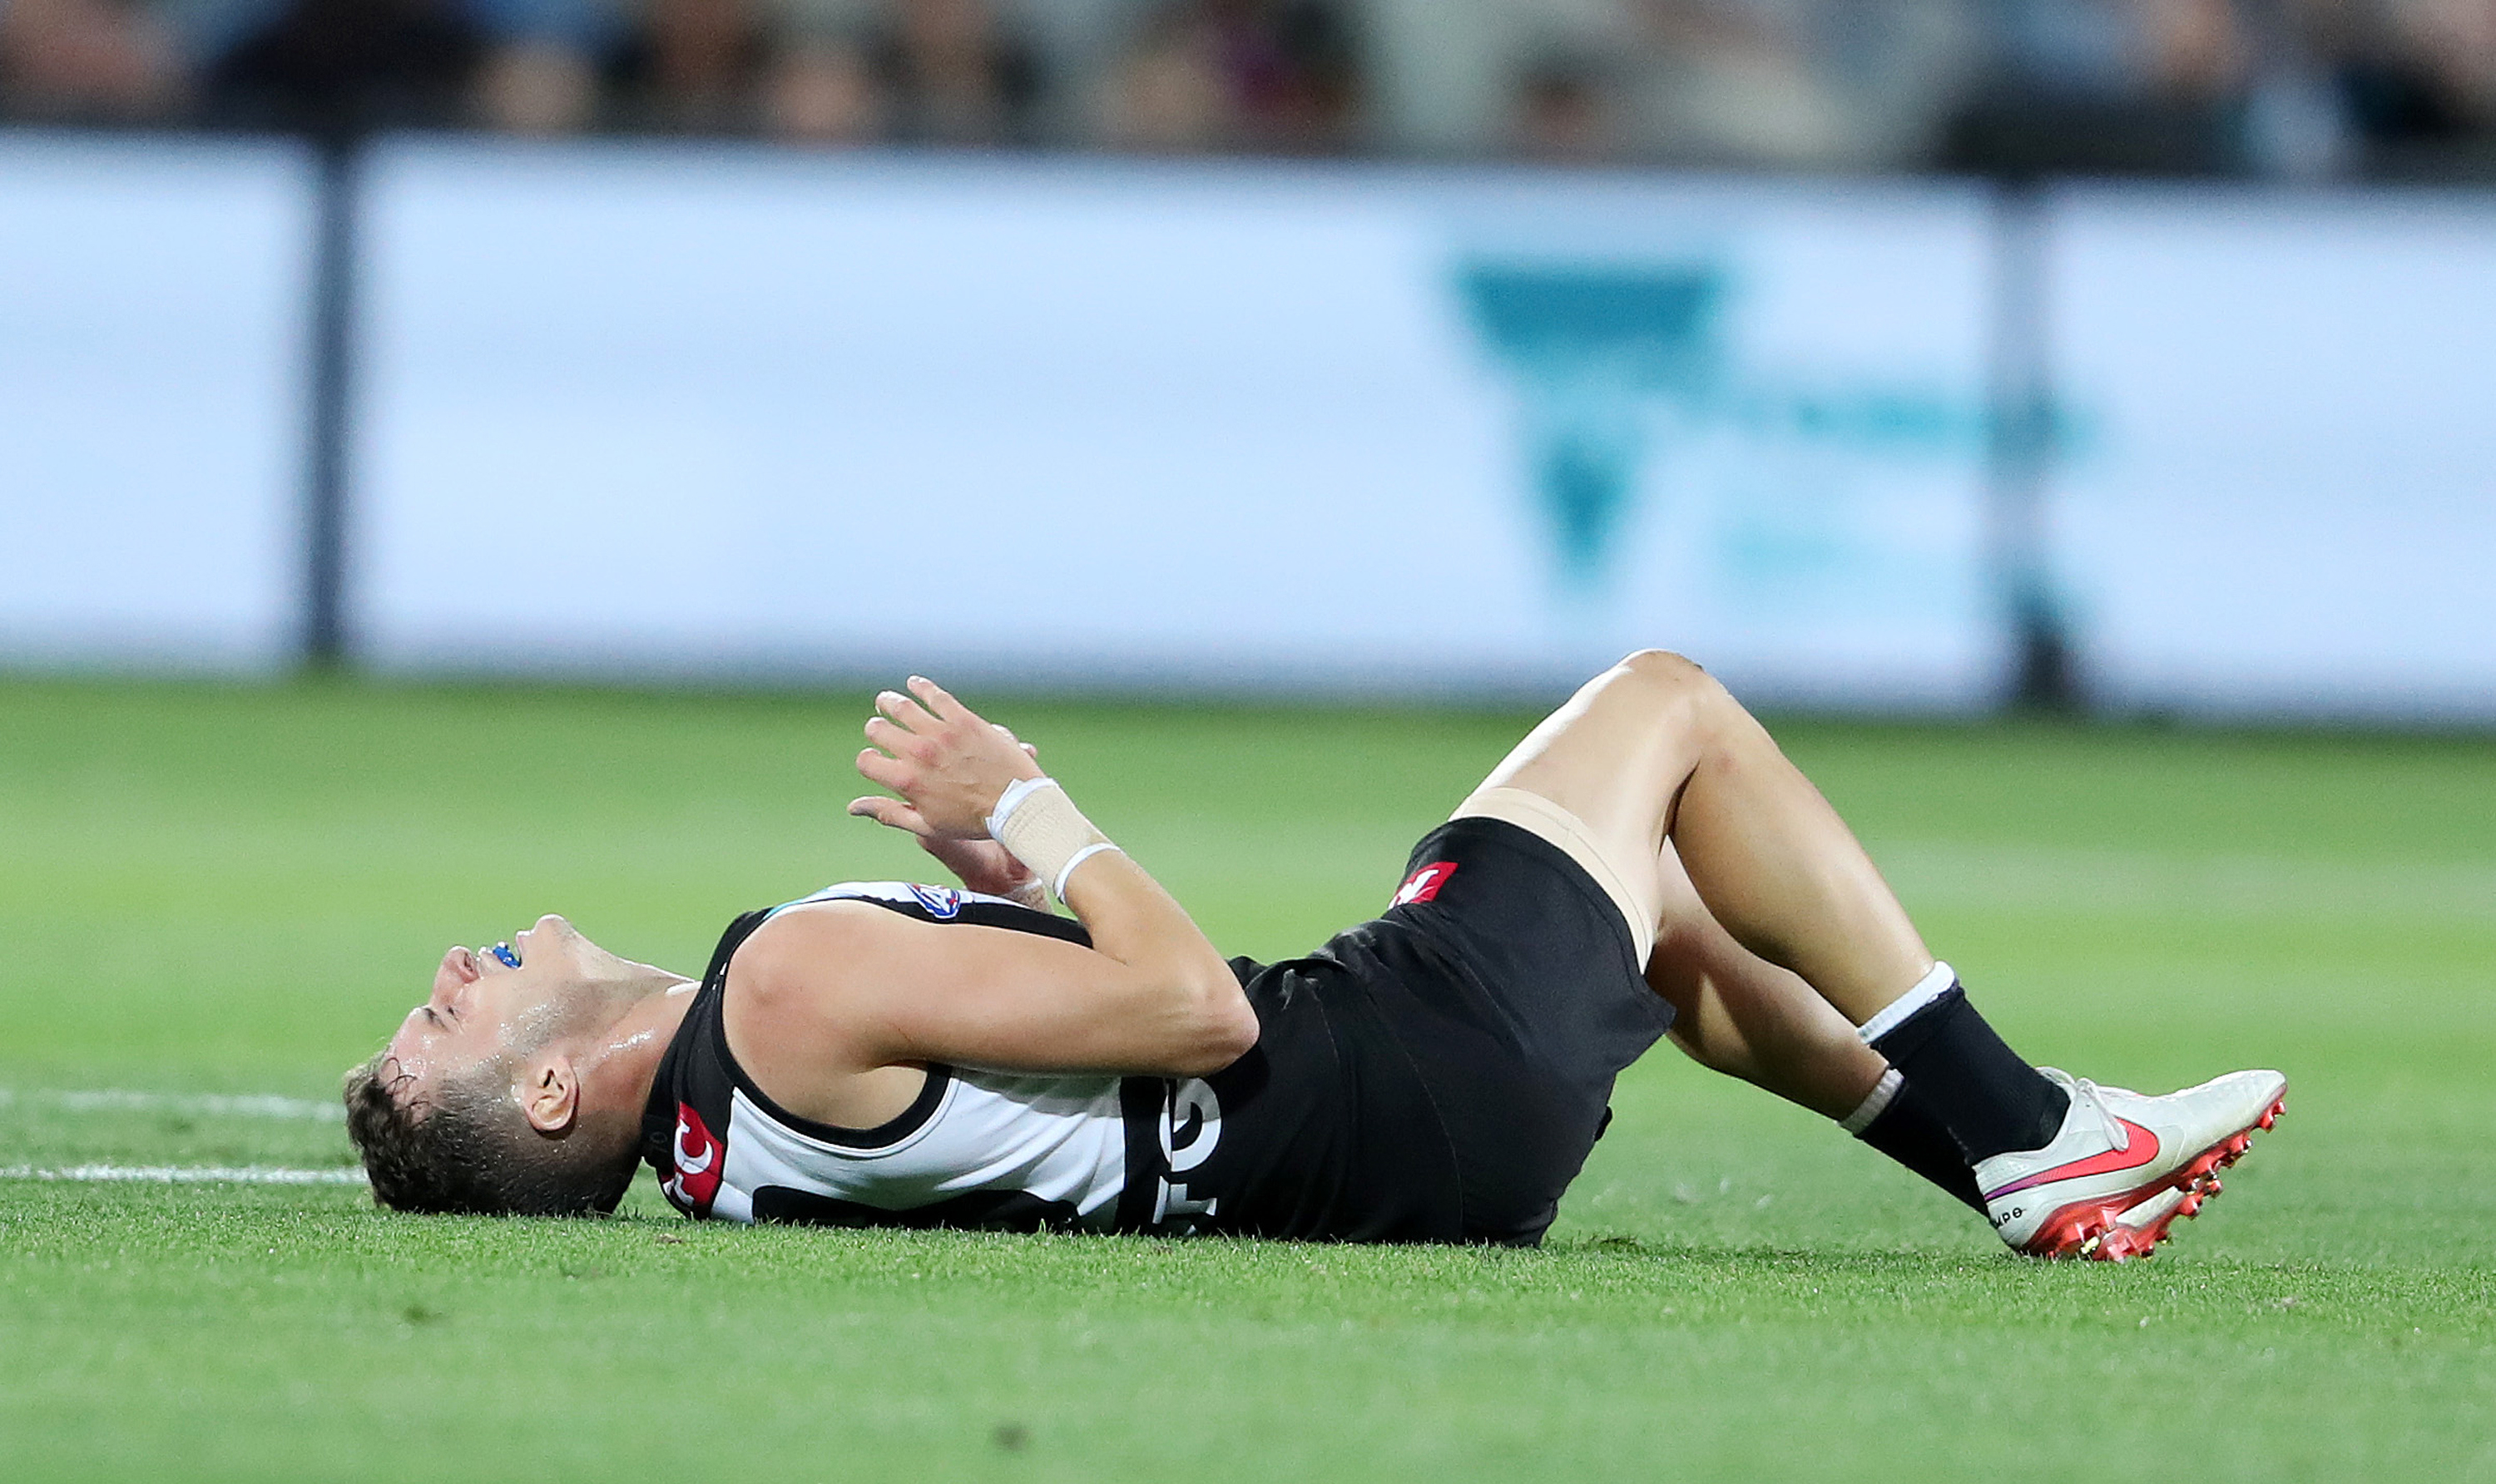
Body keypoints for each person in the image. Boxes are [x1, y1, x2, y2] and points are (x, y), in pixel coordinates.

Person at [344, 653, 2285, 1260]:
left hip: (1388, 1160)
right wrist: (1029, 803)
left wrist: (986, 900)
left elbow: (1056, 1079)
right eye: (448, 1019)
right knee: (1668, 710)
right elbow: (1190, 1006)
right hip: (1389, 1062)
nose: (452, 962)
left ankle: (2030, 1167)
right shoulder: (773, 991)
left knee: (1679, 926)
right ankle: (2035, 1132)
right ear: (543, 1089)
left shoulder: (730, 1148)